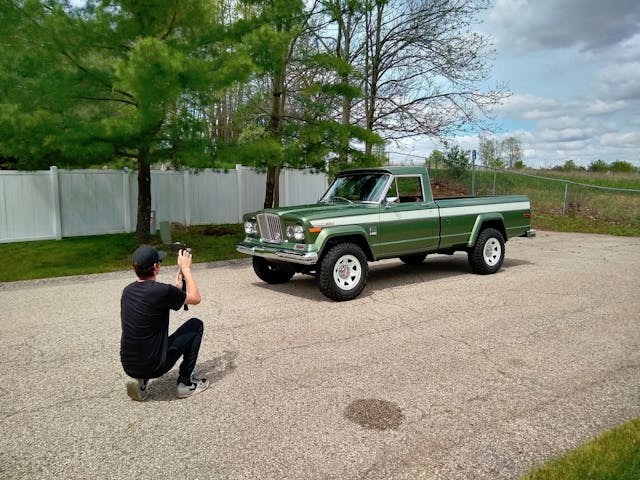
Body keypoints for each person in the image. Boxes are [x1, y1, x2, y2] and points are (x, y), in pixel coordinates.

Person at [120, 245, 209, 401]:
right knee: (195, 325)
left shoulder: (128, 291)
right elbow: (195, 298)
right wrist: (186, 269)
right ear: (156, 267)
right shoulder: (162, 291)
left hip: (129, 365)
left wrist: (178, 290)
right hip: (155, 365)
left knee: (145, 337)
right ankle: (185, 383)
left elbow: (156, 301)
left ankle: (140, 380)